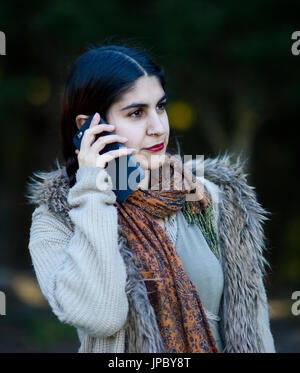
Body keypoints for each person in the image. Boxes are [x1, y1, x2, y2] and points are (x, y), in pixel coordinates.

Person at [26, 43, 276, 353]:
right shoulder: (57, 220)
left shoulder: (210, 199)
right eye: (136, 113)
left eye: (160, 106)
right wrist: (93, 191)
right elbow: (102, 316)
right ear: (90, 127)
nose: (157, 127)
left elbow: (255, 329)